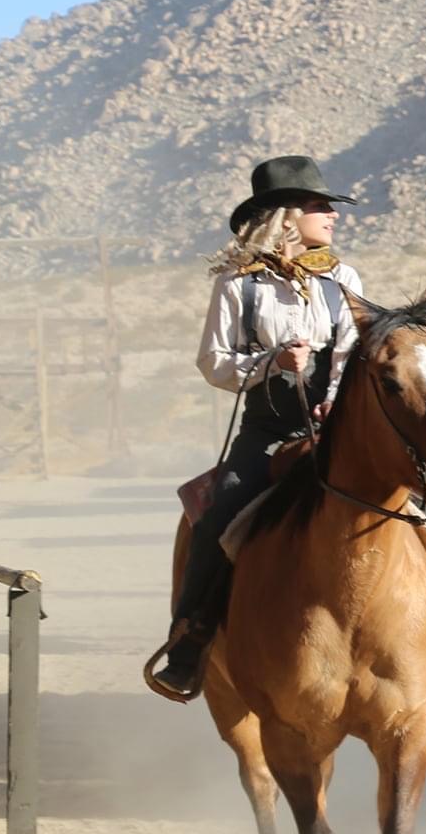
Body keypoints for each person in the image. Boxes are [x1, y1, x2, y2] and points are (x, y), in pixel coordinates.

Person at [145, 157, 363, 700]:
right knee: (220, 514)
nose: (332, 215)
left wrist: (333, 398)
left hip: (336, 425)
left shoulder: (343, 277)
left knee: (414, 494)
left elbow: (354, 352)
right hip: (266, 430)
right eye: (318, 206)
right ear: (286, 215)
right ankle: (190, 639)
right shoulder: (236, 285)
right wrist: (270, 364)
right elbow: (214, 364)